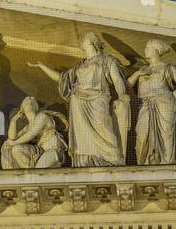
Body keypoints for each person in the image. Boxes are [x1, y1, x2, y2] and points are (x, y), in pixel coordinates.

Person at [28, 32, 129, 167]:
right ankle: (84, 161)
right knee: (82, 137)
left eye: (85, 38)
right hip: (78, 103)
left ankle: (111, 158)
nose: (82, 40)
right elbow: (61, 79)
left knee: (102, 125)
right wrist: (43, 67)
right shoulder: (79, 66)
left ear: (92, 41)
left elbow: (117, 79)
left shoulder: (106, 60)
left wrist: (122, 96)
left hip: (98, 99)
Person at [128, 40, 176, 165]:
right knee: (141, 135)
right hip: (145, 104)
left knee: (166, 134)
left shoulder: (168, 68)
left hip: (165, 103)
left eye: (148, 47)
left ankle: (167, 163)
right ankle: (144, 163)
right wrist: (137, 73)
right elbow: (127, 85)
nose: (145, 49)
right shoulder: (142, 70)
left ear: (156, 51)